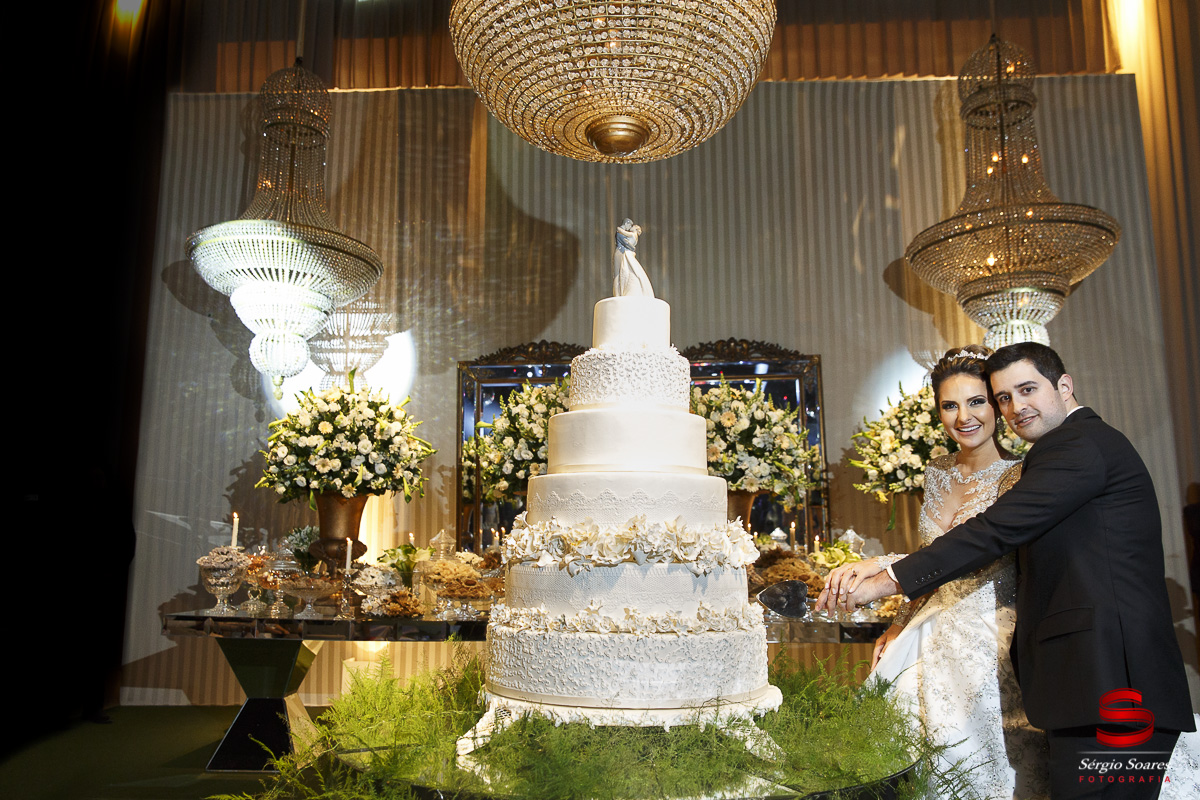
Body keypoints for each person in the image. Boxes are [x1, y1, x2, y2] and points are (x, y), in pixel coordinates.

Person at [821, 342, 1196, 799]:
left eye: (1028, 390)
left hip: (1113, 688)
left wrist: (885, 579)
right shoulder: (1065, 447)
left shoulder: (1079, 445)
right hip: (1089, 686)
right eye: (1004, 397)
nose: (1017, 407)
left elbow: (994, 531)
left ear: (1064, 386)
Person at [847, 345, 1050, 798]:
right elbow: (930, 559)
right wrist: (898, 623)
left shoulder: (1020, 476)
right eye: (950, 405)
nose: (964, 417)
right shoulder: (936, 473)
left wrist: (881, 569)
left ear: (997, 405)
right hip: (925, 621)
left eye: (977, 401)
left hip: (988, 632)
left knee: (970, 756)